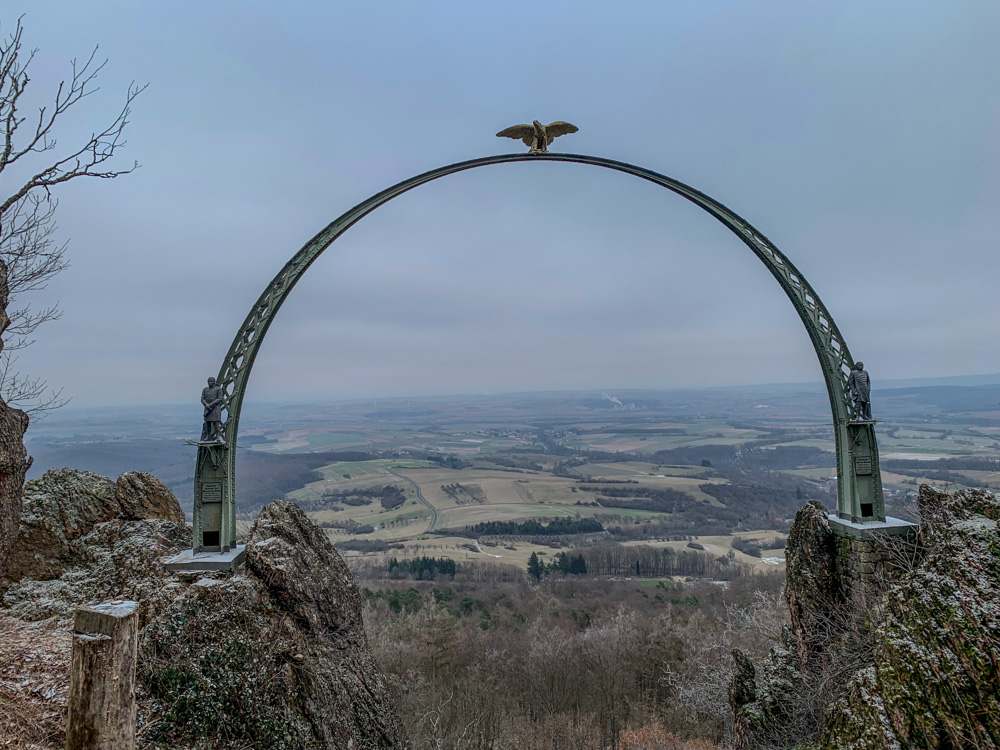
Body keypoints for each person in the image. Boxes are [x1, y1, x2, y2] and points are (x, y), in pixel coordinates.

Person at [201, 377, 225, 442]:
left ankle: (218, 437)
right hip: (207, 409)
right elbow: (202, 399)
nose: (210, 383)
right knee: (208, 423)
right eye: (208, 381)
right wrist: (206, 405)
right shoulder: (205, 389)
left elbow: (220, 398)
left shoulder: (218, 389)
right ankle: (208, 437)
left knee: (216, 423)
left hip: (215, 408)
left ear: (214, 382)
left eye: (211, 381)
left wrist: (211, 404)